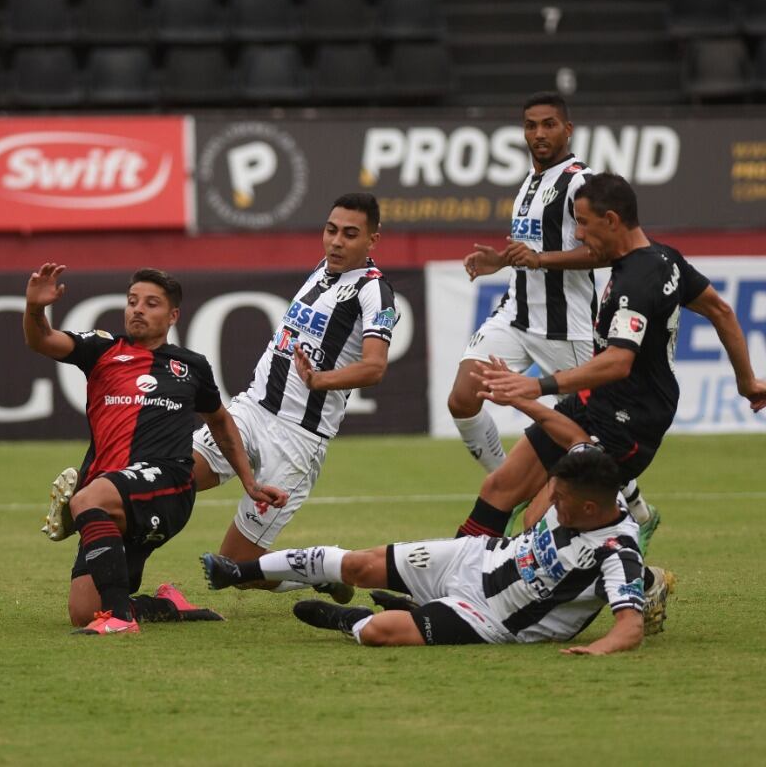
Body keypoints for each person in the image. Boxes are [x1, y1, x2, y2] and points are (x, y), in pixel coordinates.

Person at [41, 194, 397, 603]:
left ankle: (322, 570)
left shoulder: (374, 293)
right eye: (331, 230)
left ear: (373, 239)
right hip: (250, 412)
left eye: (350, 235)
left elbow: (375, 367)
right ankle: (112, 559)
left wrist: (319, 380)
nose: (336, 242)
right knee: (165, 481)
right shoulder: (323, 271)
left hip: (297, 439)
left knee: (237, 569)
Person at [457, 173, 766, 547]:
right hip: (593, 404)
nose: (580, 235)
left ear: (612, 221)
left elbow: (619, 362)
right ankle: (454, 584)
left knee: (535, 529)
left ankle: (641, 581)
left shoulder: (634, 284)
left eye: (583, 224)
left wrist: (536, 386)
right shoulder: (665, 258)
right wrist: (746, 382)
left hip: (629, 425)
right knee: (499, 486)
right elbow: (720, 309)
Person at [24, 264, 285, 635]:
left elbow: (222, 423)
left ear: (172, 315)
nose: (138, 310)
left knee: (86, 499)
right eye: (132, 302)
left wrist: (250, 482)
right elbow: (42, 341)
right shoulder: (101, 349)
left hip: (168, 483)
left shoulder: (191, 366)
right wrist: (35, 309)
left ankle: (120, 619)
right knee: (83, 612)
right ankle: (165, 605)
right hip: (113, 491)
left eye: (151, 303)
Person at [202, 447, 647, 655]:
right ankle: (237, 572)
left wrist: (599, 650)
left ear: (591, 507)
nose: (553, 500)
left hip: (490, 618)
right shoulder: (587, 476)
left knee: (380, 633)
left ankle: (348, 618)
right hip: (477, 556)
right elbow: (576, 442)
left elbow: (630, 627)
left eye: (561, 498)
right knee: (358, 564)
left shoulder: (617, 552)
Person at [448, 92, 599, 479]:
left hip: (569, 326)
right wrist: (500, 260)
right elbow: (534, 248)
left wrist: (540, 260)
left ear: (568, 129)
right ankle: (507, 481)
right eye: (531, 125)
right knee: (464, 398)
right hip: (517, 315)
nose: (539, 133)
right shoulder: (530, 182)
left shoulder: (582, 182)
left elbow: (605, 252)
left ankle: (635, 509)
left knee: (592, 438)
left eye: (549, 124)